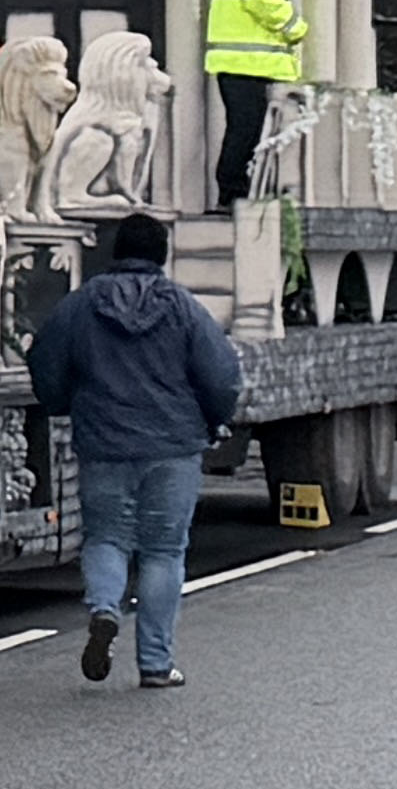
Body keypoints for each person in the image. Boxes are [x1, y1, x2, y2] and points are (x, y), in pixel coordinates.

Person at [27, 211, 242, 693]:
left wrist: (62, 403)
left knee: (106, 537)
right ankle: (156, 665)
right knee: (163, 551)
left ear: (115, 252)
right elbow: (223, 373)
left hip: (103, 443)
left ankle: (105, 609)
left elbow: (44, 360)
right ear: (162, 255)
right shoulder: (183, 307)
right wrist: (215, 420)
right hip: (173, 447)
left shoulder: (81, 305)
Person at [203, 0, 305, 204]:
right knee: (247, 130)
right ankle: (233, 193)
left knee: (243, 128)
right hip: (250, 61)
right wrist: (295, 28)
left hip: (237, 60)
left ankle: (234, 191)